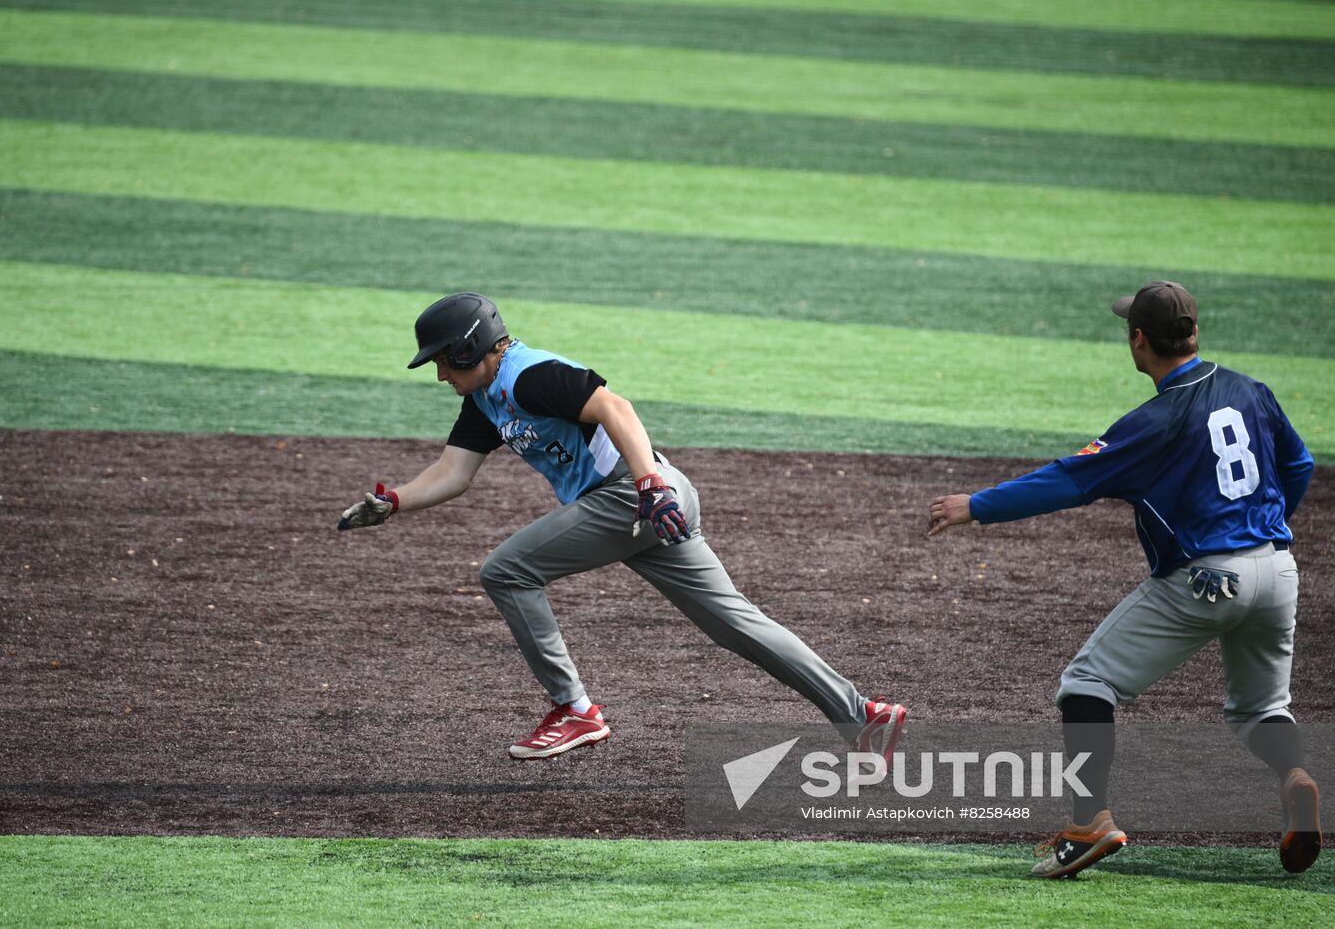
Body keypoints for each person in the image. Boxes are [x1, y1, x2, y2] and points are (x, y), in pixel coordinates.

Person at [339, 292, 906, 761]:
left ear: (471, 348)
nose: (438, 374)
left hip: (633, 497)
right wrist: (393, 503)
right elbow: (452, 473)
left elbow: (618, 409)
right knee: (736, 624)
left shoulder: (528, 375)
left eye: (443, 360)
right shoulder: (485, 398)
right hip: (648, 501)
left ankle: (575, 711)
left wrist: (648, 485)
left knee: (507, 571)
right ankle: (865, 717)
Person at [927, 280, 1319, 879]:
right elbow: (1299, 463)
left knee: (1087, 684)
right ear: (1193, 332)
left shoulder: (1154, 421)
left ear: (1139, 340)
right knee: (1262, 707)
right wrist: (1263, 529)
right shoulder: (1251, 391)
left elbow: (1069, 480)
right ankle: (1295, 778)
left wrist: (975, 505)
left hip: (1207, 579)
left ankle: (1090, 822)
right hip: (1277, 570)